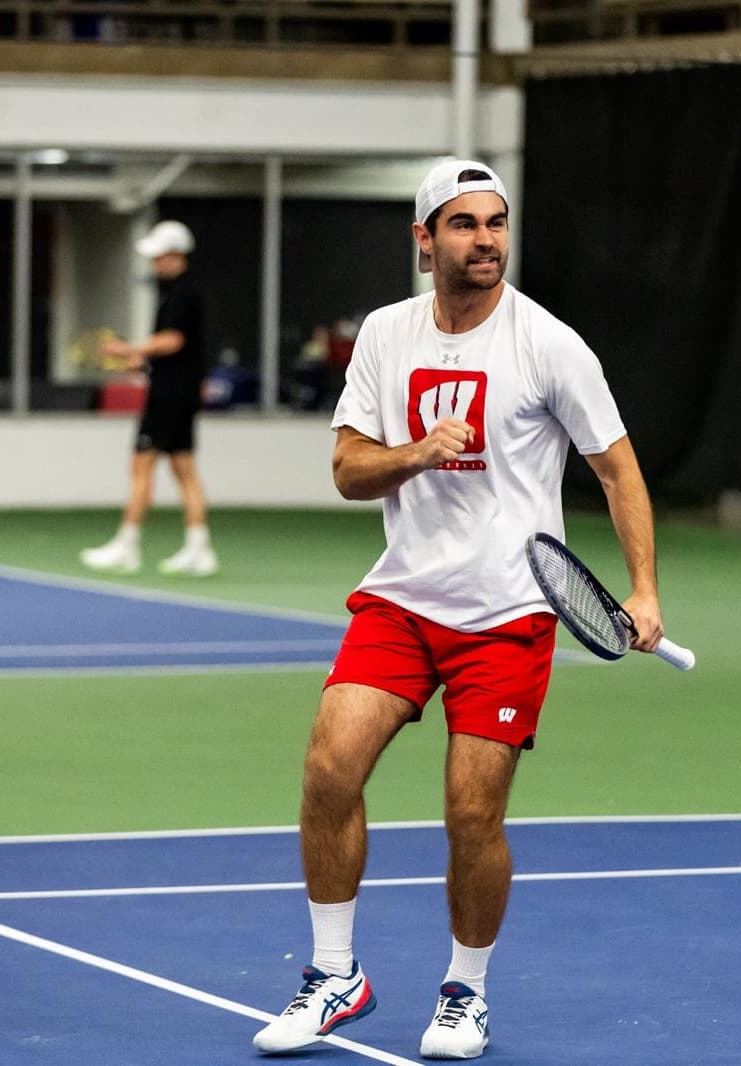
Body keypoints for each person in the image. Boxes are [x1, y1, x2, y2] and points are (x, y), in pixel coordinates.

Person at [252, 159, 664, 1060]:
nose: (486, 240)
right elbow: (349, 473)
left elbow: (618, 468)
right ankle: (334, 978)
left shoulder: (550, 343)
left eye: (497, 223)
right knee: (329, 770)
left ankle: (464, 996)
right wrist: (416, 454)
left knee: (471, 813)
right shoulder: (385, 335)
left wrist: (642, 589)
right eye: (465, 224)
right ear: (424, 240)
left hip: (510, 612)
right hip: (402, 599)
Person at [79, 220, 219, 577]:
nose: (155, 263)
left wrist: (129, 348)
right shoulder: (179, 290)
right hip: (180, 391)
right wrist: (141, 359)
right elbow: (174, 348)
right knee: (183, 468)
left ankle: (127, 545)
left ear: (175, 254)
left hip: (169, 395)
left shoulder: (181, 292)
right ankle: (199, 549)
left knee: (141, 466)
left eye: (159, 256)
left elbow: (173, 341)